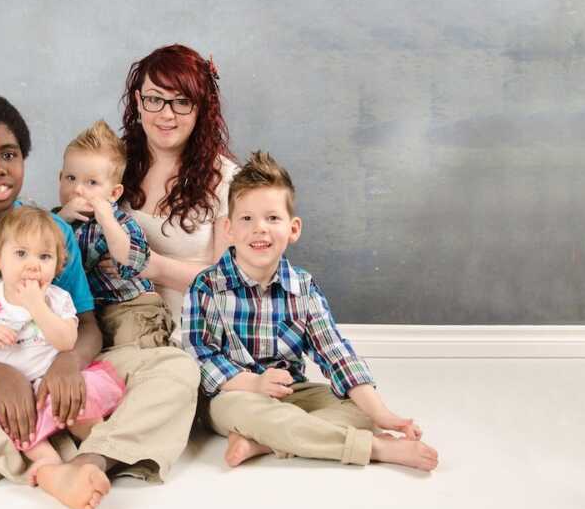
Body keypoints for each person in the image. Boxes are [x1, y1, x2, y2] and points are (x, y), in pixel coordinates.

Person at [0, 92, 199, 509]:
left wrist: (69, 362)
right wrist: (1, 376)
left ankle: (91, 460)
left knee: (178, 369)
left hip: (54, 367)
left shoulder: (52, 230)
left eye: (9, 153)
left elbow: (89, 325)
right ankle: (51, 465)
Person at [181, 151, 440, 471]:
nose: (259, 229)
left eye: (272, 218)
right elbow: (200, 359)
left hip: (292, 391)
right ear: (229, 229)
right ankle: (373, 449)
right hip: (232, 396)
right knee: (250, 413)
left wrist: (381, 414)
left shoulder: (302, 287)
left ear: (293, 228)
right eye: (246, 218)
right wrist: (255, 385)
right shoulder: (206, 286)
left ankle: (262, 441)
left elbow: (335, 352)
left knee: (358, 411)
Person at [0, 205, 125, 494]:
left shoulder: (57, 299)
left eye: (44, 257)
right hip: (9, 392)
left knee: (82, 397)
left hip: (50, 382)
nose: (33, 265)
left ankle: (92, 449)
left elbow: (67, 341)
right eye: (21, 254)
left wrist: (36, 306)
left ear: (57, 267)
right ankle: (47, 461)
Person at [99, 44, 238, 336]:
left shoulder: (228, 180)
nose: (166, 114)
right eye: (154, 99)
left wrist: (146, 264)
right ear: (138, 101)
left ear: (201, 107)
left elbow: (228, 282)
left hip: (196, 335)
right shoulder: (110, 164)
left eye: (181, 101)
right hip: (116, 326)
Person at [56, 120, 174, 350]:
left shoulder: (120, 222)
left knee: (132, 346)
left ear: (113, 193)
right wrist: (61, 219)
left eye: (91, 182)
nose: (78, 189)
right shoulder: (54, 222)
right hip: (90, 313)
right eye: (70, 178)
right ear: (60, 178)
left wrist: (107, 220)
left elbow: (127, 259)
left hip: (131, 306)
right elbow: (44, 251)